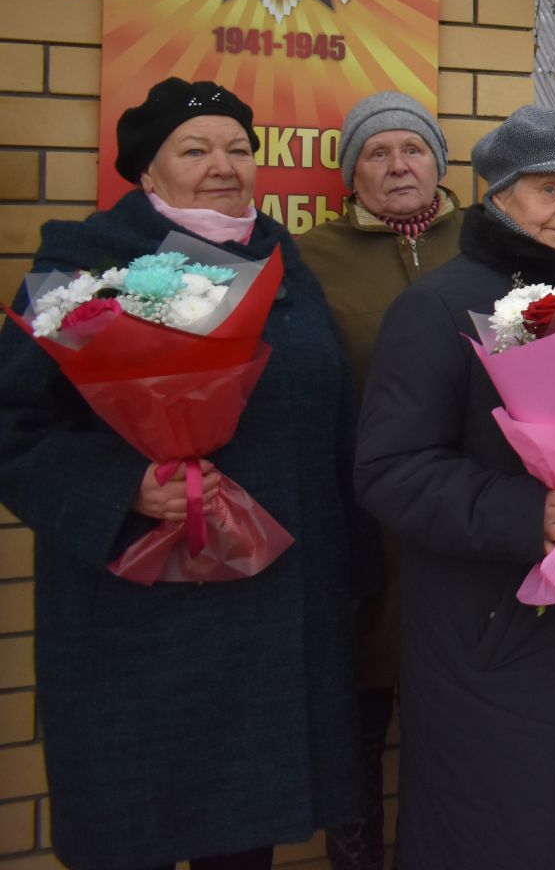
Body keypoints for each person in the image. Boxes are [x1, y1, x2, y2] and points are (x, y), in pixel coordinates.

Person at [0, 77, 365, 870]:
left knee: (244, 840)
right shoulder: (82, 266)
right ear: (146, 173)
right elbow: (14, 426)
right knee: (136, 832)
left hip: (268, 613)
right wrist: (122, 484)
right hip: (138, 620)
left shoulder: (283, 263)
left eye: (238, 148)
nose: (222, 164)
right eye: (194, 149)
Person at [353, 104, 555, 869]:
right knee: (504, 832)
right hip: (494, 629)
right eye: (550, 189)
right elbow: (390, 471)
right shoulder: (435, 308)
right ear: (498, 193)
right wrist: (527, 514)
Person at [299, 90, 463, 870]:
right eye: (377, 152)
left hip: (466, 524)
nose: (399, 165)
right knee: (358, 737)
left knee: (458, 740)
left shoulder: (484, 243)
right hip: (361, 529)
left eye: (414, 148)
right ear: (350, 175)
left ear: (438, 160)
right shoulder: (311, 258)